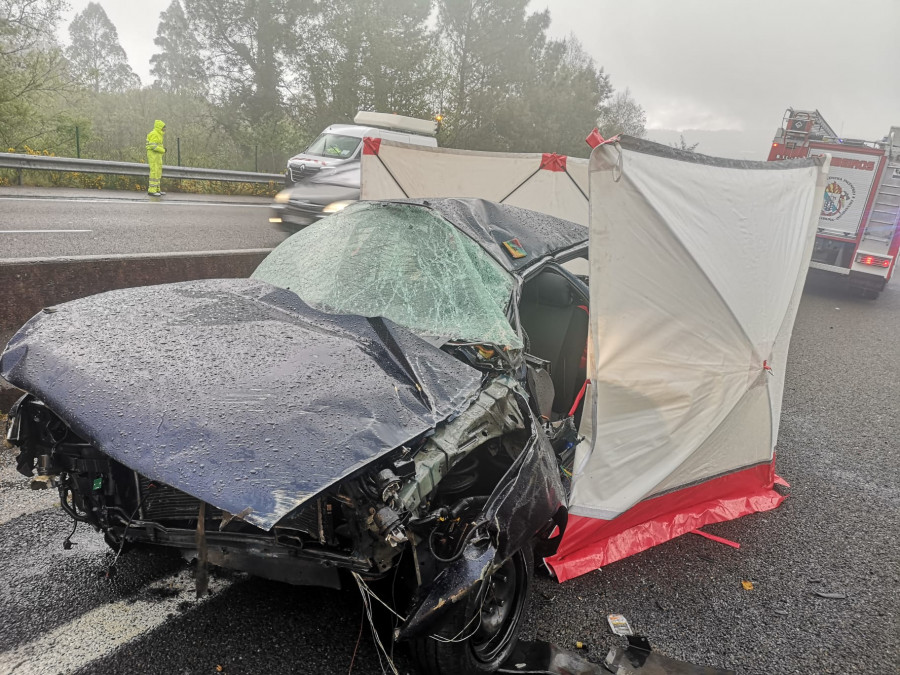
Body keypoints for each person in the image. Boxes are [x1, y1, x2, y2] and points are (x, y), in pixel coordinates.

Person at [146, 120, 166, 197]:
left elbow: (157, 145)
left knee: (158, 172)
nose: (165, 129)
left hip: (157, 155)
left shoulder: (159, 134)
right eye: (164, 127)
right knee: (154, 171)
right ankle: (151, 190)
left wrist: (162, 150)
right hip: (153, 155)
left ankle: (157, 189)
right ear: (160, 127)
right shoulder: (154, 134)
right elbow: (153, 146)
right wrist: (163, 150)